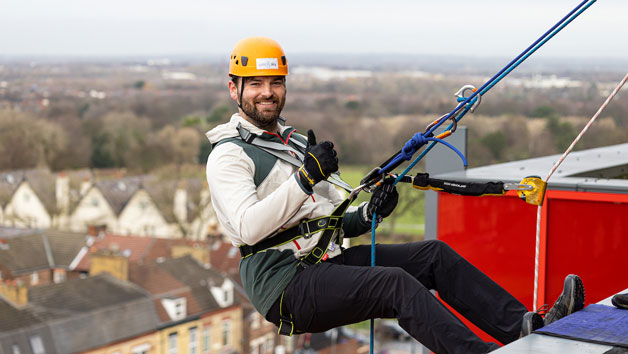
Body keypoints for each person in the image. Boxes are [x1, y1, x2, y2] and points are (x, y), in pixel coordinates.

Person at [205, 36, 585, 354]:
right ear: (233, 89)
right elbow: (248, 227)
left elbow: (324, 219)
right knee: (394, 283)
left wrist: (369, 214)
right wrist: (305, 178)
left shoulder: (294, 143)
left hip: (324, 261)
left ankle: (527, 331)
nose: (267, 93)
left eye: (275, 83)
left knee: (433, 255)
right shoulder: (229, 155)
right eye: (254, 83)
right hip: (284, 286)